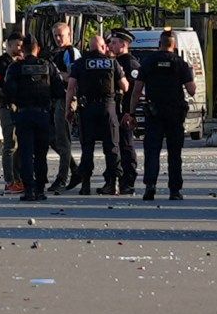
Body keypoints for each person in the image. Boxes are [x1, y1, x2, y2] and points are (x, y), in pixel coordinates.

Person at [1, 37, 64, 201]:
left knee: (26, 153)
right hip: (42, 114)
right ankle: (41, 189)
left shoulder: (15, 67)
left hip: (23, 114)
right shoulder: (47, 65)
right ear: (38, 48)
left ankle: (29, 190)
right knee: (41, 154)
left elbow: (8, 92)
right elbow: (59, 90)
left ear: (24, 49)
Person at [139, 28, 197, 200]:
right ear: (174, 45)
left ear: (159, 44)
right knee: (174, 153)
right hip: (174, 113)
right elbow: (192, 91)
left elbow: (137, 89)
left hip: (154, 112)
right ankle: (175, 190)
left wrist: (131, 111)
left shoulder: (148, 62)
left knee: (152, 151)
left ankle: (150, 186)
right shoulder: (180, 63)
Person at [66, 31, 122, 195]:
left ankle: (85, 184)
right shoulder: (112, 63)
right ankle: (113, 184)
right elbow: (125, 85)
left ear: (88, 48)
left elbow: (71, 87)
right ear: (104, 47)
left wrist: (69, 109)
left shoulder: (80, 63)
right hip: (108, 108)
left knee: (87, 147)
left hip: (87, 109)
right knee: (112, 147)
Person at [46, 21, 80, 192]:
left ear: (69, 35)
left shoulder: (71, 52)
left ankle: (62, 178)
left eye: (61, 35)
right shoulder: (55, 53)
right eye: (56, 35)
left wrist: (55, 75)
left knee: (63, 139)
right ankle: (75, 169)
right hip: (54, 99)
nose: (58, 38)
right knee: (52, 138)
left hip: (66, 98)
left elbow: (73, 76)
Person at [0, 31, 25, 193]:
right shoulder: (1, 63)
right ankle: (10, 181)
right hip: (6, 106)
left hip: (20, 107)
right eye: (17, 45)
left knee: (19, 145)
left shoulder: (21, 62)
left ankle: (18, 178)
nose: (20, 48)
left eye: (21, 45)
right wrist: (9, 94)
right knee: (10, 144)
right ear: (9, 45)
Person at [109, 30, 142, 195]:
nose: (110, 45)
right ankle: (119, 180)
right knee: (118, 146)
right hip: (116, 110)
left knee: (126, 146)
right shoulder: (115, 62)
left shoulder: (130, 64)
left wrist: (130, 112)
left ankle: (129, 180)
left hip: (125, 112)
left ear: (124, 44)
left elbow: (134, 91)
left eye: (114, 42)